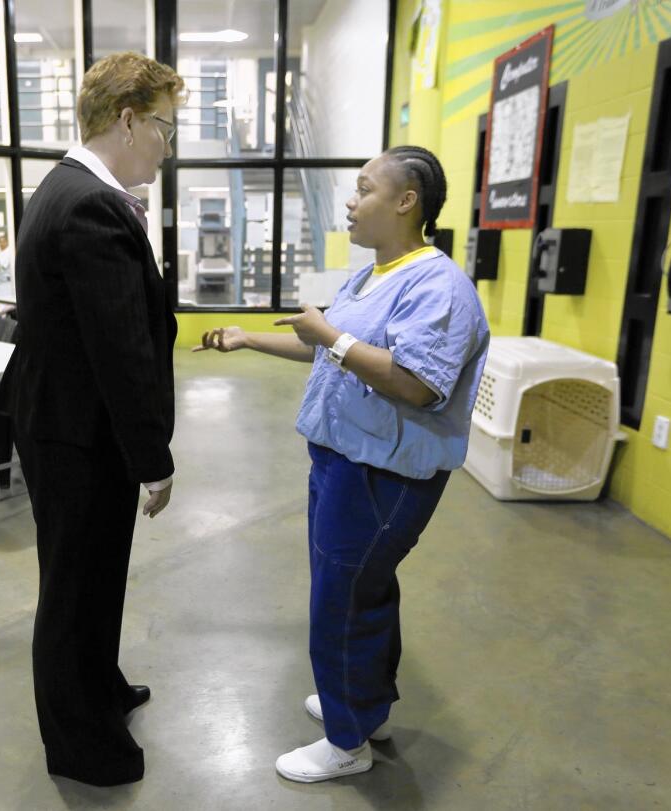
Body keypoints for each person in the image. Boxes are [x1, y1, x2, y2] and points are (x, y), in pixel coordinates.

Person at [196, 146, 490, 783]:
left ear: (406, 201)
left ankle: (346, 741)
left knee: (342, 600)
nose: (351, 204)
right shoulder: (374, 275)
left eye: (364, 189)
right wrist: (250, 338)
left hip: (383, 474)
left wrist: (329, 335)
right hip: (339, 461)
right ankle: (364, 705)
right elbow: (333, 351)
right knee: (364, 590)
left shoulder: (438, 286)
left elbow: (415, 383)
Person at [0, 51, 184, 787]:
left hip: (66, 419)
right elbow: (121, 351)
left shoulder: (68, 189)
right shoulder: (90, 206)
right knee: (74, 588)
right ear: (130, 119)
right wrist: (154, 456)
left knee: (97, 574)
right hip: (80, 432)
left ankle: (100, 688)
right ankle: (81, 746)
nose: (168, 146)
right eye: (165, 127)